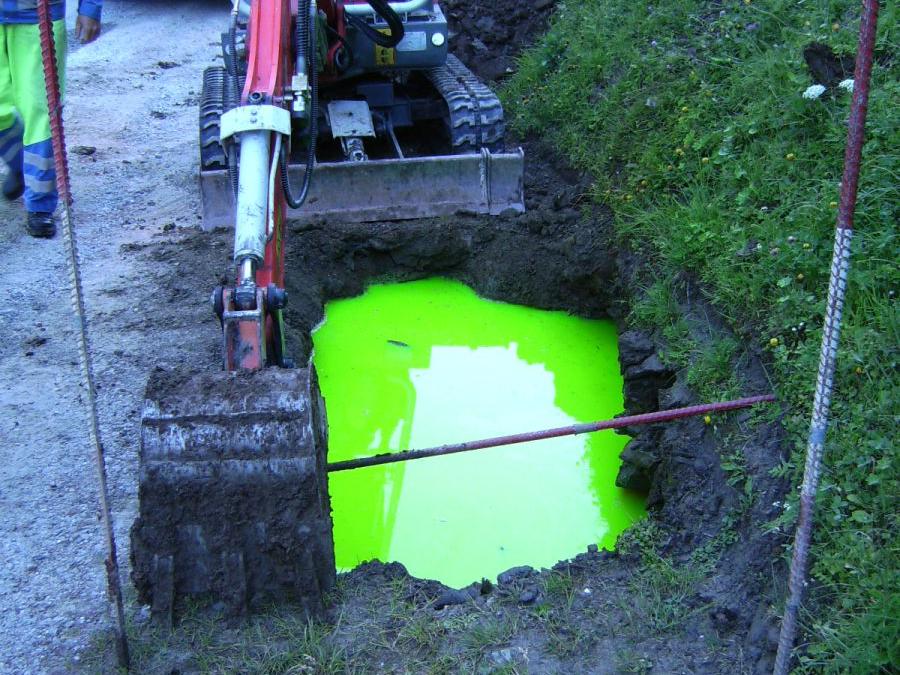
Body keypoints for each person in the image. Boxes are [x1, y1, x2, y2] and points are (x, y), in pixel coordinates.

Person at [0, 1, 102, 238]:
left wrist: (90, 8)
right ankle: (22, 166)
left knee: (41, 114)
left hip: (37, 19)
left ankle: (39, 205)